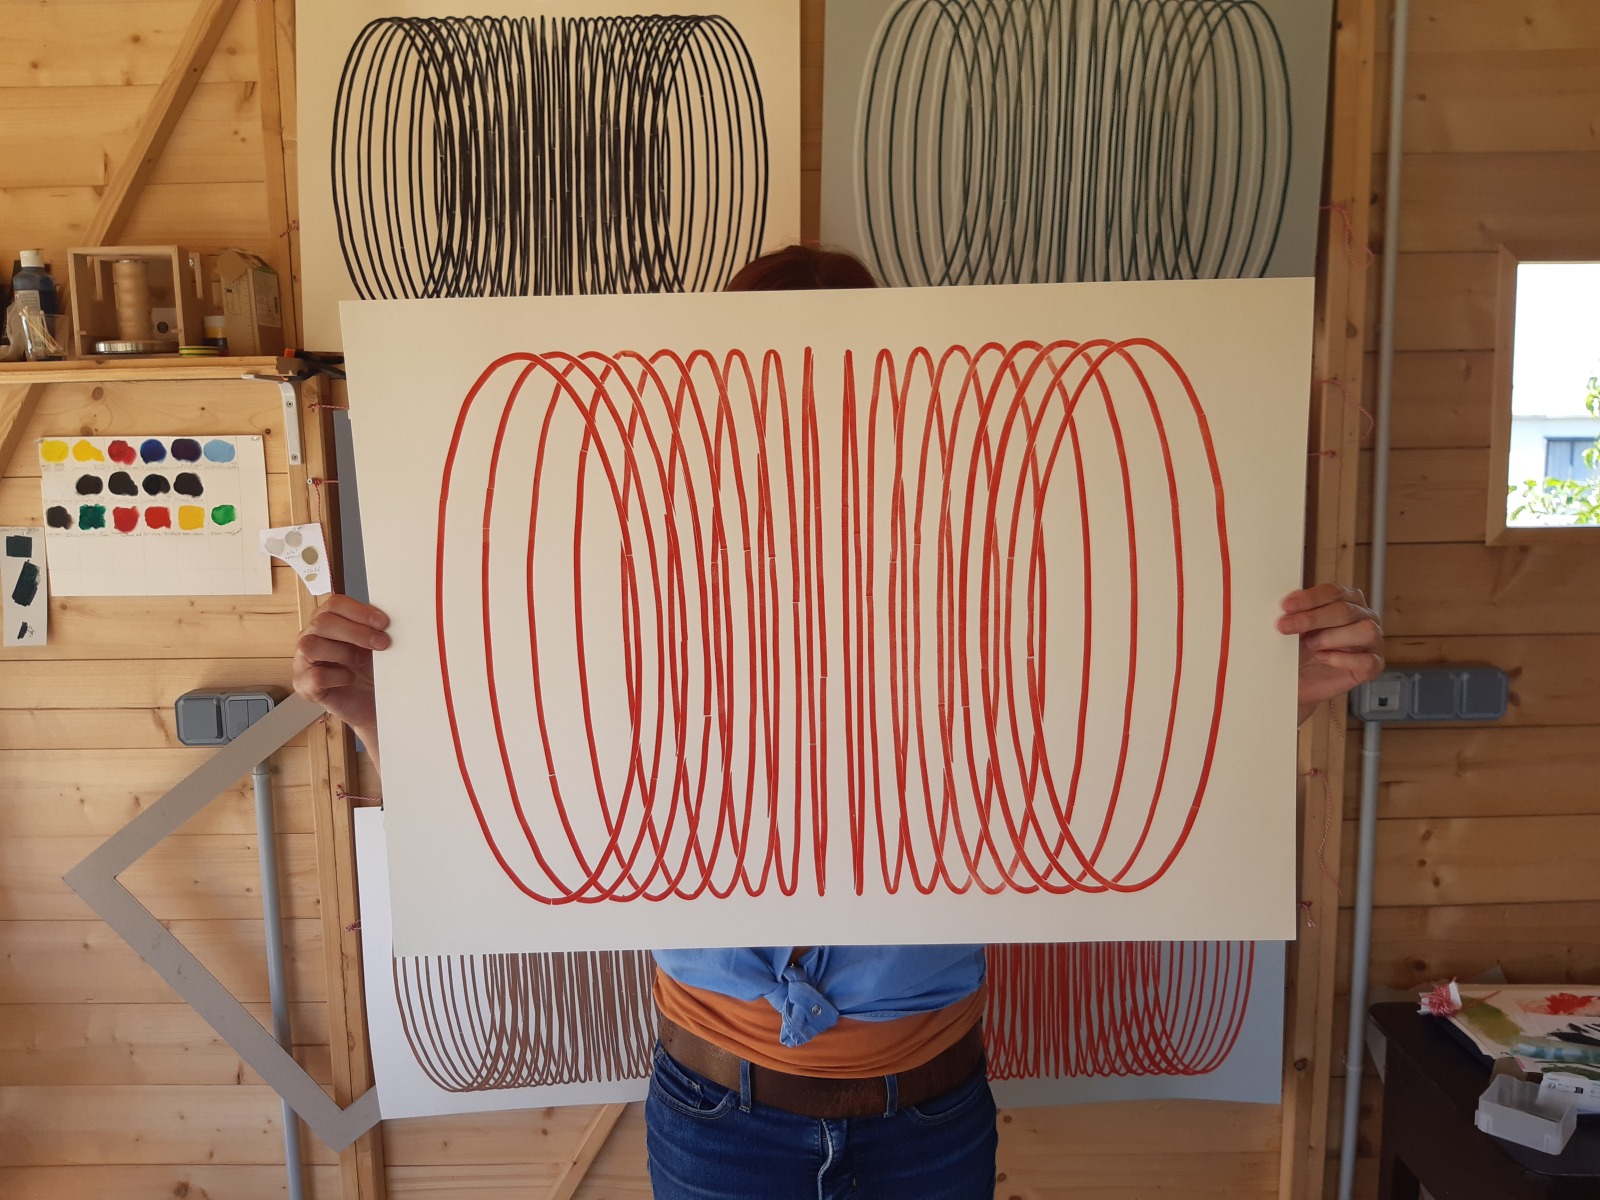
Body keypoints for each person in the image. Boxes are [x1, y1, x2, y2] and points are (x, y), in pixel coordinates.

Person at [294, 245, 1384, 1200]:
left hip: (930, 1115)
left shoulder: (983, 580)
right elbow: (524, 798)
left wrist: (1269, 694)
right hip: (718, 1111)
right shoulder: (636, 579)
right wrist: (383, 715)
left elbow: (1122, 752)